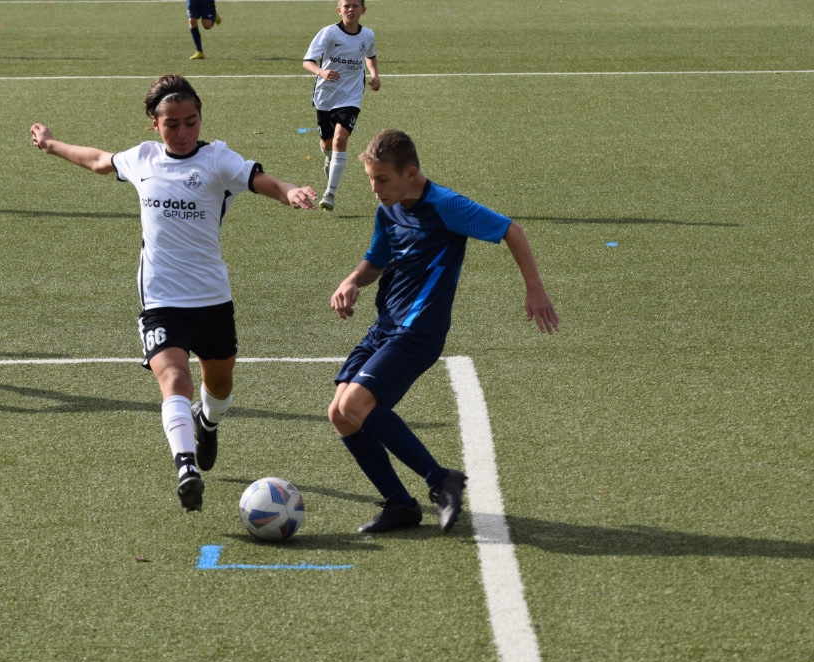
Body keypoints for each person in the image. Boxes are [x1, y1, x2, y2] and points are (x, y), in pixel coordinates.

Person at [30, 75, 316, 512]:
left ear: (200, 118)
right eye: (172, 124)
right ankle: (186, 468)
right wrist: (52, 144)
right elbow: (99, 160)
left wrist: (290, 191)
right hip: (162, 299)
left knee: (219, 388)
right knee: (174, 379)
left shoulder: (218, 161)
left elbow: (265, 182)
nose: (183, 132)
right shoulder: (142, 159)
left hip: (212, 298)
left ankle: (208, 423)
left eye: (191, 121)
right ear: (154, 124)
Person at [328, 130, 560, 533]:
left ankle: (441, 480)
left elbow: (511, 229)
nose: (374, 188)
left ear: (410, 173)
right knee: (340, 414)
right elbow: (376, 261)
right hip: (386, 326)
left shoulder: (445, 205)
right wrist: (352, 281)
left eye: (382, 179)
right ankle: (401, 505)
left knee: (356, 404)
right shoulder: (388, 210)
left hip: (419, 330)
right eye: (370, 179)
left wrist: (535, 289)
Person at [302, 0, 379, 213]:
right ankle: (329, 159)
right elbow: (307, 61)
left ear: (363, 10)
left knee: (339, 140)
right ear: (339, 10)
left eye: (355, 6)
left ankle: (330, 193)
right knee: (327, 144)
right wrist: (322, 72)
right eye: (346, 6)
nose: (350, 9)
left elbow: (370, 56)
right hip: (325, 96)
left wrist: (374, 74)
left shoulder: (367, 35)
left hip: (351, 96)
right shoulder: (329, 33)